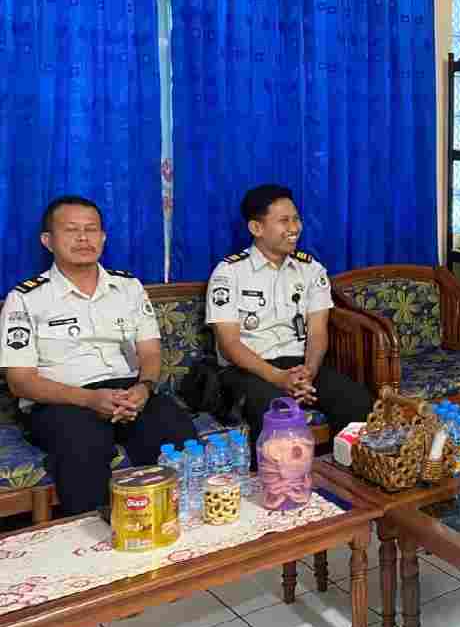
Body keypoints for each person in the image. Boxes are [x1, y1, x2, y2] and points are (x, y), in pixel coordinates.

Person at [0, 196, 196, 515]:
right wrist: (89, 400)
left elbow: (150, 351)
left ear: (103, 238)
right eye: (71, 230)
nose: (83, 238)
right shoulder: (24, 299)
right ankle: (97, 538)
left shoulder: (128, 287)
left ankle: (180, 522)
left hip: (128, 393)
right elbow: (20, 382)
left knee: (174, 429)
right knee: (83, 446)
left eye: (91, 229)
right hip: (62, 401)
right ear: (47, 241)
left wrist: (144, 388)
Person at [207, 185, 373, 459]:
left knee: (356, 400)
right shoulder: (229, 273)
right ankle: (279, 482)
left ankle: (344, 477)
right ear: (256, 228)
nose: (294, 228)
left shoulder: (310, 269)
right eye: (284, 221)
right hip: (248, 369)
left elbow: (318, 332)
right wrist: (278, 378)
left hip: (298, 365)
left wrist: (309, 371)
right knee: (275, 410)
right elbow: (230, 345)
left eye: (296, 219)